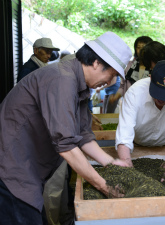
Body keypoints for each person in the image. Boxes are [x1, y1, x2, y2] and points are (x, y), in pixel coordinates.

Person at [0, 31, 132, 225]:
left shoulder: (79, 84)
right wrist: (104, 186)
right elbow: (67, 146)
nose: (109, 83)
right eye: (111, 74)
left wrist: (110, 163)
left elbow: (83, 134)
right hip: (12, 169)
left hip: (28, 169)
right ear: (96, 62)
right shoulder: (61, 79)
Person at [109, 36, 153, 109]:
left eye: (144, 47)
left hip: (148, 105)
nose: (141, 50)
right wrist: (116, 97)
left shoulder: (154, 66)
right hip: (130, 104)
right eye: (138, 47)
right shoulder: (130, 65)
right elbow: (123, 86)